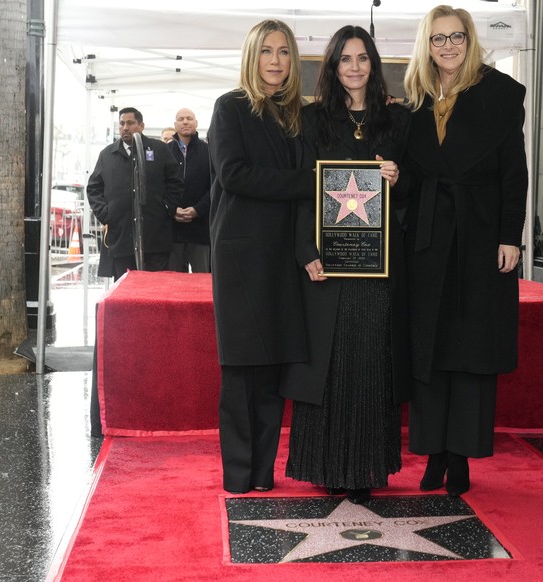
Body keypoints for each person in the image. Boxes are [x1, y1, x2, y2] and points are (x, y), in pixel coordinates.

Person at [401, 5, 528, 496]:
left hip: (480, 238)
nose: (448, 46)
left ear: (470, 40)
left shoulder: (500, 93)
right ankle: (433, 452)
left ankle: (461, 458)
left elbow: (513, 173)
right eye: (438, 39)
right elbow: (413, 176)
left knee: (471, 349)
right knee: (429, 345)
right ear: (426, 45)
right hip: (428, 241)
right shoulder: (413, 98)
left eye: (456, 37)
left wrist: (509, 235)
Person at [282, 26, 410, 504]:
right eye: (345, 60)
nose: (354, 67)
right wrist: (305, 252)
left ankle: (368, 466)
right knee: (329, 365)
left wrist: (399, 179)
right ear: (332, 67)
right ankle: (325, 464)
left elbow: (414, 195)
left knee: (371, 363)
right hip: (325, 267)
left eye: (363, 58)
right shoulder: (310, 120)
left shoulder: (398, 123)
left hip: (379, 270)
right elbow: (299, 194)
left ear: (374, 65)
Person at [208, 20, 315, 495]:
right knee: (241, 369)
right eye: (267, 52)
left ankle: (263, 473)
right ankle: (238, 474)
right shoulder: (229, 107)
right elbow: (235, 175)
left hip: (283, 257)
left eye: (284, 53)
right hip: (240, 256)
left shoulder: (297, 114)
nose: (275, 61)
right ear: (252, 57)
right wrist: (310, 179)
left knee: (273, 369)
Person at [86, 107, 183, 281]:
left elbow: (175, 181)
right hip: (121, 238)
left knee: (155, 287)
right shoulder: (108, 154)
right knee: (125, 290)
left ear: (141, 125)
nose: (125, 127)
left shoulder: (159, 149)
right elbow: (94, 188)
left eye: (130, 123)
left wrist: (167, 207)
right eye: (122, 123)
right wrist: (105, 214)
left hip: (155, 237)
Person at [167, 108, 211, 273]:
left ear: (196, 123)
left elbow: (215, 187)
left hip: (200, 228)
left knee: (202, 282)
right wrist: (172, 210)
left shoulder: (209, 151)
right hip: (173, 230)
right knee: (173, 283)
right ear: (175, 124)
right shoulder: (166, 151)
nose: (185, 122)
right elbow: (159, 187)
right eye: (181, 119)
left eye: (189, 118)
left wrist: (197, 209)